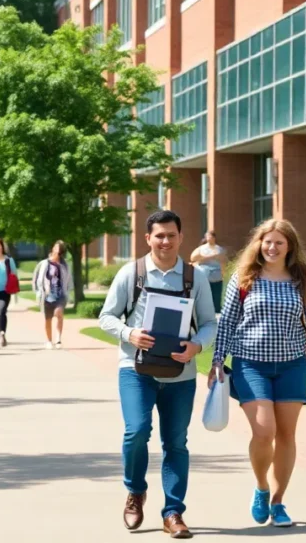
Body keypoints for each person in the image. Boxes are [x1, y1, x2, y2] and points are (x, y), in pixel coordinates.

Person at [210, 219, 306, 529]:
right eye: (267, 241)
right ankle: (261, 488)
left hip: (293, 365)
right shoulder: (243, 277)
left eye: (279, 242)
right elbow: (226, 323)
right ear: (258, 244)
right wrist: (216, 361)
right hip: (250, 364)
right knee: (264, 431)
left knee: (287, 435)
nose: (272, 247)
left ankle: (278, 502)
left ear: (289, 246)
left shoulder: (304, 280)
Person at [98, 210, 218, 540]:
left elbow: (209, 322)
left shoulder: (195, 278)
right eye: (159, 235)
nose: (165, 241)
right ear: (148, 238)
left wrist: (197, 345)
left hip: (180, 374)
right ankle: (135, 492)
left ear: (181, 237)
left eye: (171, 235)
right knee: (136, 432)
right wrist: (129, 333)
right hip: (135, 370)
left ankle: (174, 512)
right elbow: (106, 317)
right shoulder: (131, 273)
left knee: (176, 443)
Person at [32, 240, 73, 349]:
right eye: (55, 248)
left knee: (58, 313)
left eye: (59, 249)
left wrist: (68, 292)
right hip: (46, 295)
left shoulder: (64, 265)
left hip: (60, 294)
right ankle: (49, 341)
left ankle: (58, 339)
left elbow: (69, 280)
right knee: (48, 319)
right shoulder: (44, 263)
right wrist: (38, 292)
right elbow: (36, 279)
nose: (56, 251)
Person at [190, 230, 228, 313]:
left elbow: (222, 261)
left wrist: (223, 272)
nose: (209, 238)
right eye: (207, 236)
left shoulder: (219, 249)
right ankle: (204, 310)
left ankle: (217, 309)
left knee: (217, 293)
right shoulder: (201, 248)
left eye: (210, 236)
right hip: (204, 272)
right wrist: (212, 256)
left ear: (214, 238)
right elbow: (193, 258)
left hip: (216, 273)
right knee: (205, 293)